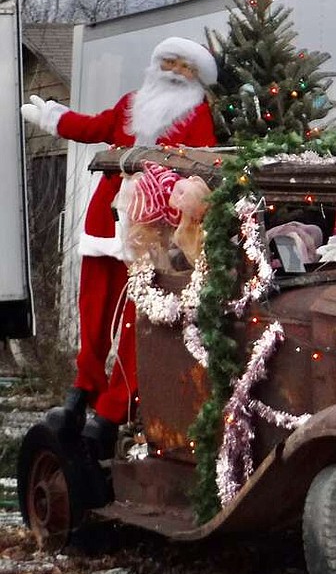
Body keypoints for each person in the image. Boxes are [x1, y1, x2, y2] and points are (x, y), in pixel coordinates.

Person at [21, 37, 218, 461]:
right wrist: (55, 118)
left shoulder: (197, 116)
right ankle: (81, 390)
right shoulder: (132, 103)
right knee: (94, 311)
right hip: (104, 224)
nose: (173, 70)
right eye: (167, 62)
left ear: (196, 76)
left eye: (184, 66)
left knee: (135, 321)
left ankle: (112, 412)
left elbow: (204, 166)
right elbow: (93, 127)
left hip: (150, 231)